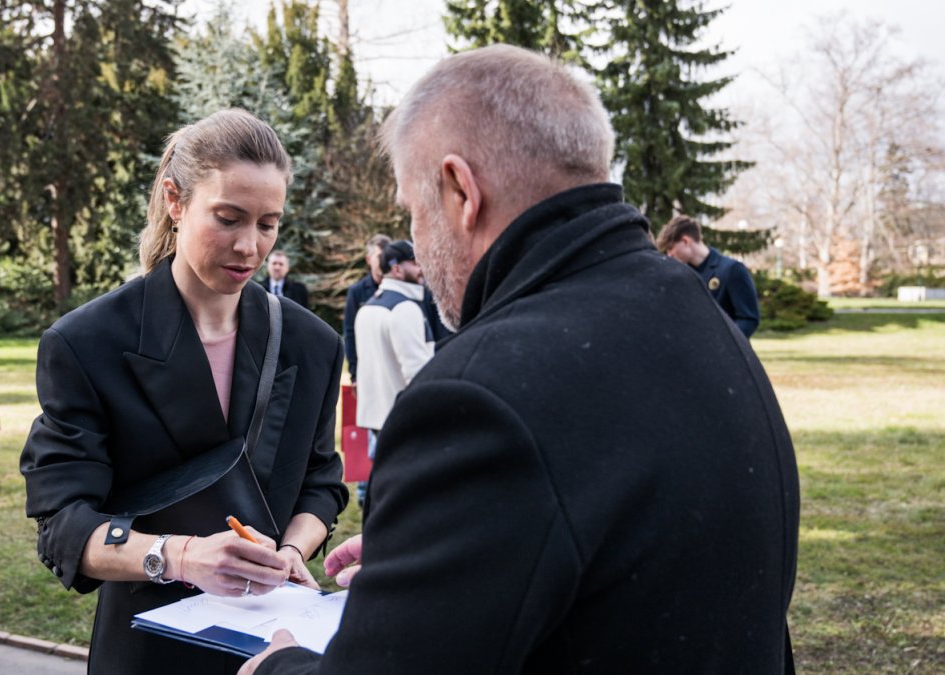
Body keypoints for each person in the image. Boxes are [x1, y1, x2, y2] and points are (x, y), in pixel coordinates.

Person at [242, 44, 799, 674]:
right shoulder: (694, 312)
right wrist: (449, 548)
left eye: (414, 210)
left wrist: (277, 667)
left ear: (460, 190)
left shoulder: (479, 393)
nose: (419, 246)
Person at [20, 109, 348, 675]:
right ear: (175, 200)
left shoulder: (312, 343)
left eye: (268, 224)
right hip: (150, 648)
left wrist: (292, 553)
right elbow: (63, 525)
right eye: (228, 218)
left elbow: (321, 482)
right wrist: (182, 556)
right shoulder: (85, 343)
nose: (249, 246)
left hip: (278, 645)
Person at [353, 240, 434, 512]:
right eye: (416, 262)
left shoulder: (368, 307)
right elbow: (419, 374)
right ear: (397, 269)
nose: (422, 268)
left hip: (376, 417)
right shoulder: (405, 308)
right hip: (403, 417)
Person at [657, 215, 761, 337]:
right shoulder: (683, 275)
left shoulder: (731, 269)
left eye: (670, 248)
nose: (669, 255)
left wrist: (723, 342)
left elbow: (748, 319)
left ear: (686, 241)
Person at [342, 234, 390, 382]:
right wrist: (354, 373)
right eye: (380, 256)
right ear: (369, 260)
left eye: (388, 256)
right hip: (368, 369)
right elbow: (350, 333)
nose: (384, 261)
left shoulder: (401, 288)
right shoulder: (357, 292)